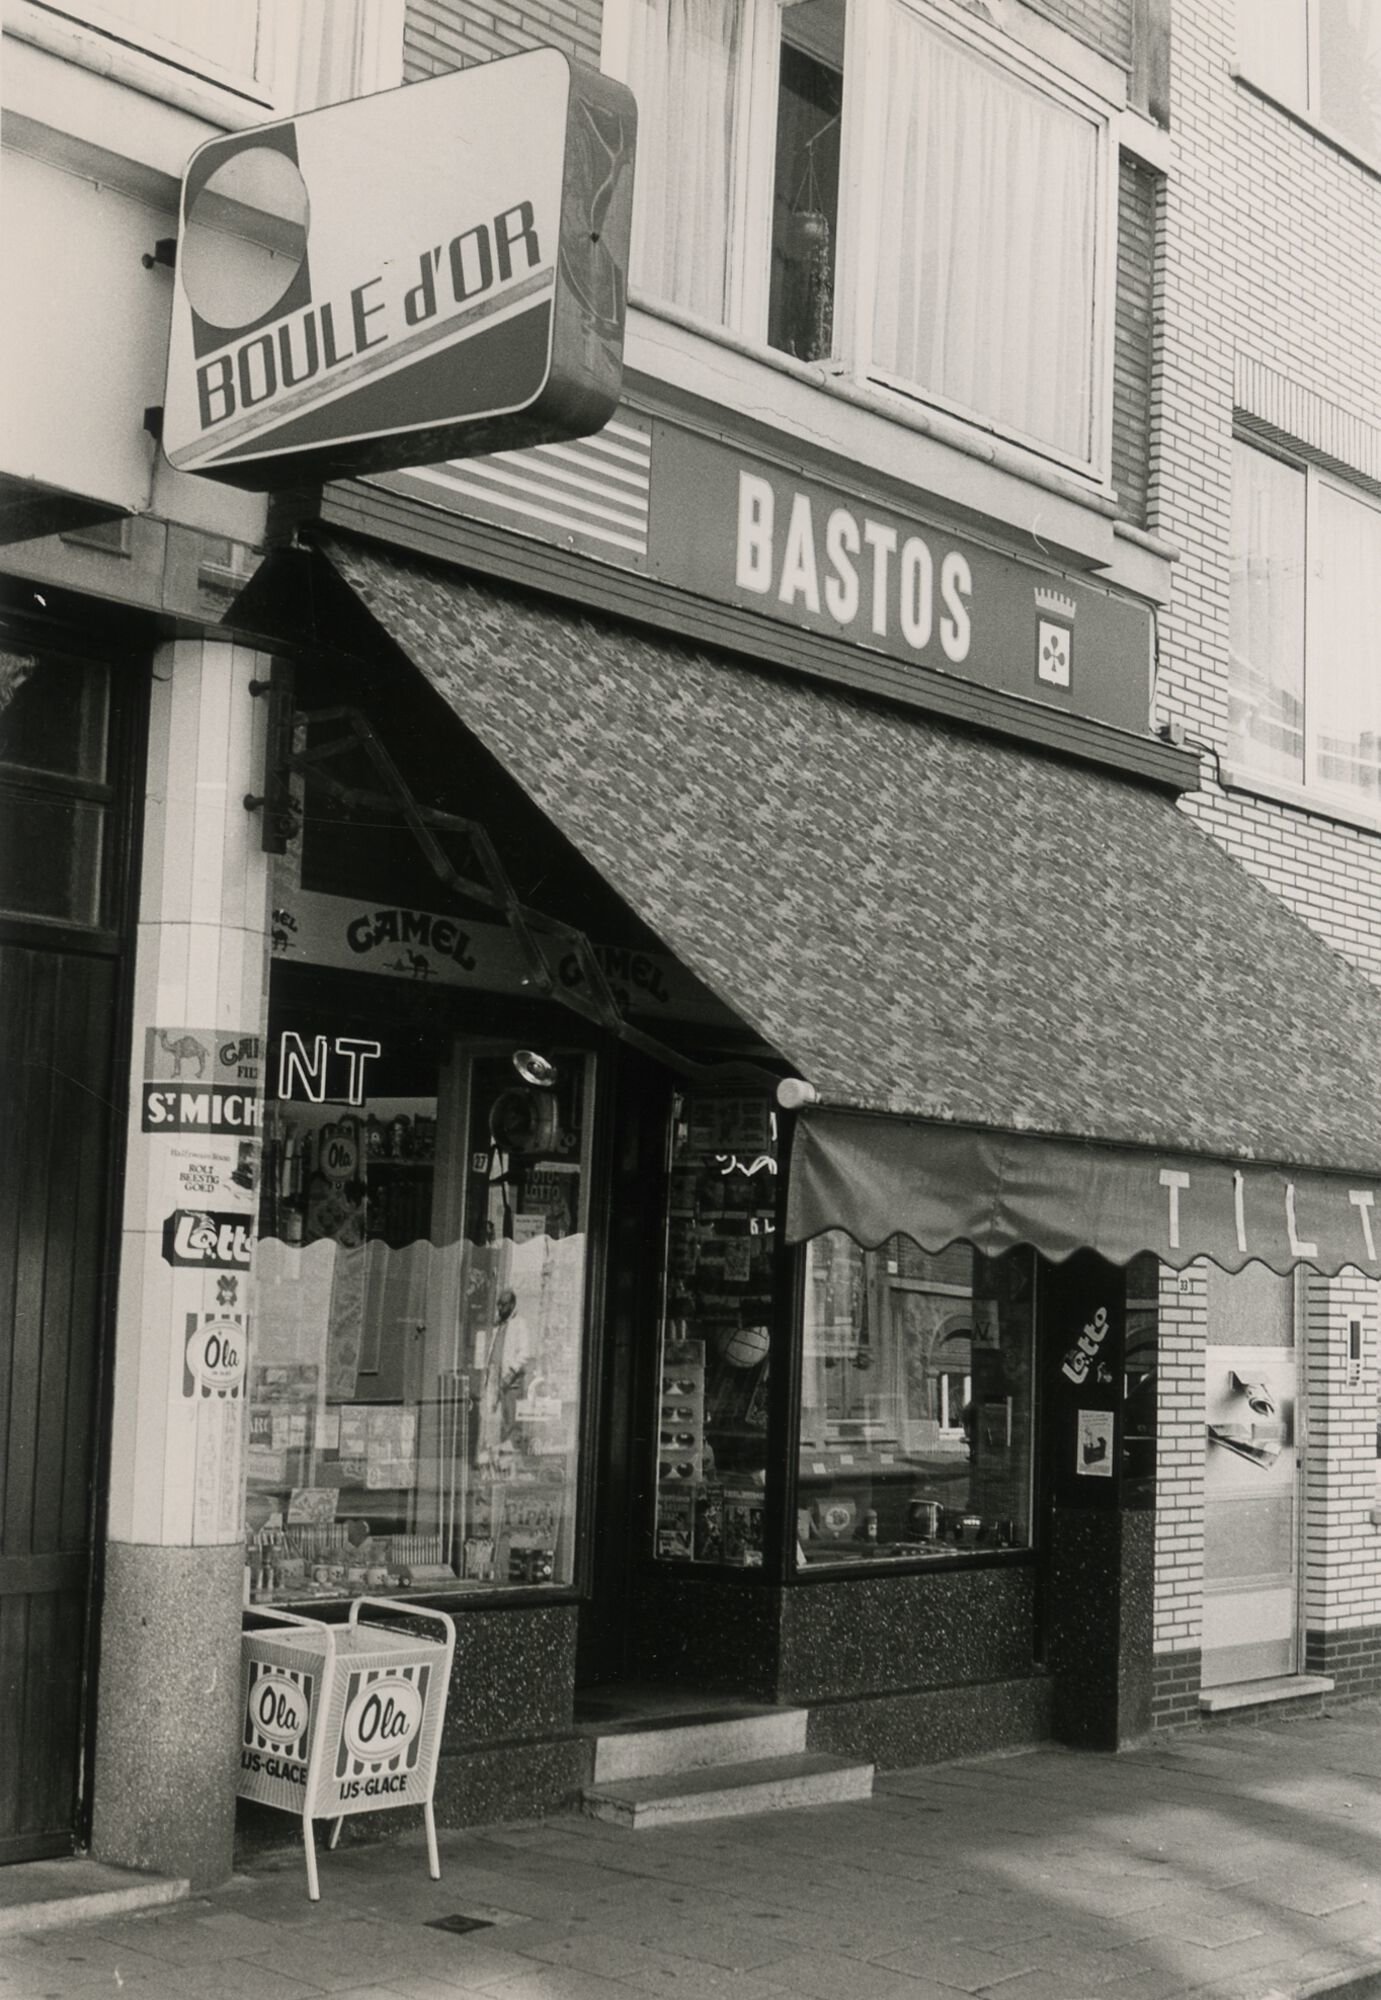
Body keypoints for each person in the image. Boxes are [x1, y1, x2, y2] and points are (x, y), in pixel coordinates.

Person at [485, 1287, 537, 1444]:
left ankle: (509, 1459)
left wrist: (510, 1374)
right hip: (495, 1379)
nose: (500, 1308)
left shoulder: (520, 1324)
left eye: (504, 1304)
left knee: (511, 1424)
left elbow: (524, 1354)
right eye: (499, 1304)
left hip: (511, 1381)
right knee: (493, 1422)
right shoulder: (498, 1325)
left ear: (512, 1304)